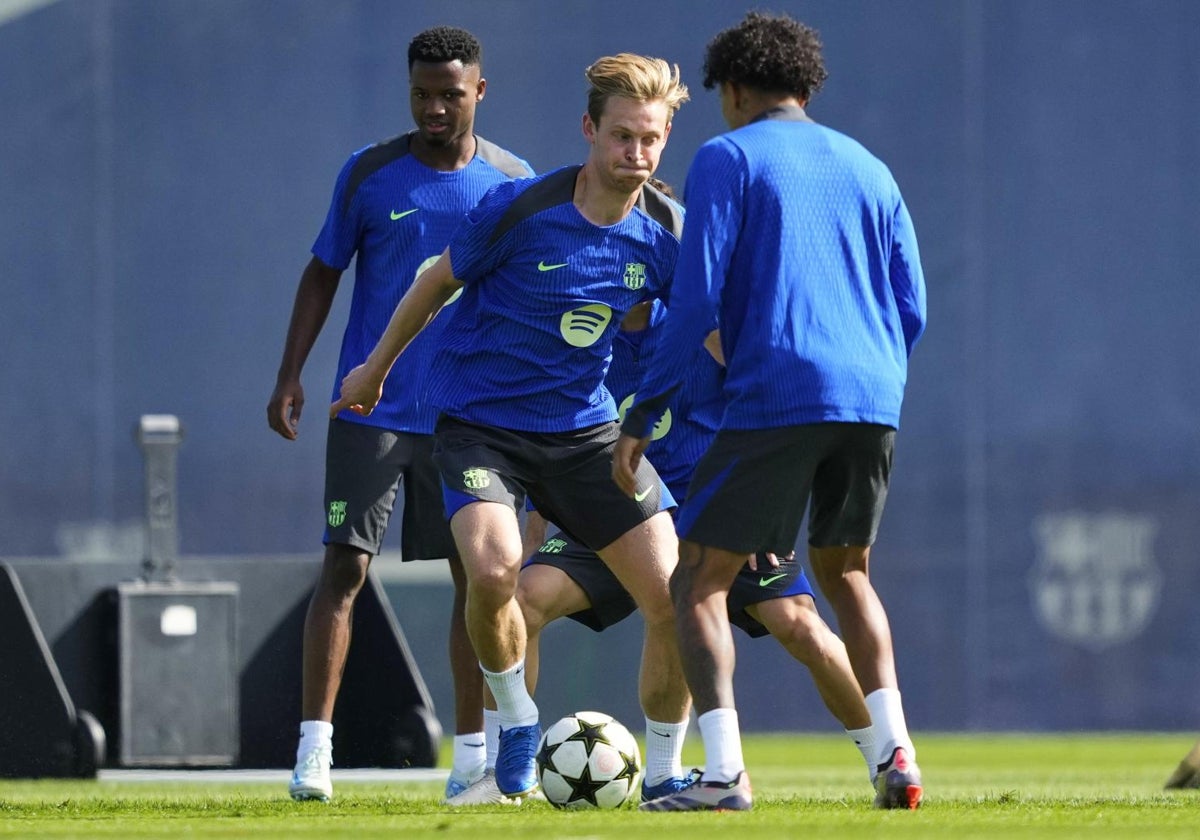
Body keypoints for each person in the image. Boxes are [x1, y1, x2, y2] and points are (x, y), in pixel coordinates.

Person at [329, 53, 694, 803]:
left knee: (676, 600)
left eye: (651, 140)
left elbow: (699, 335)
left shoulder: (667, 233)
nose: (637, 154)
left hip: (585, 436)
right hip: (480, 427)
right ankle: (519, 723)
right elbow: (435, 282)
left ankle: (664, 774)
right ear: (589, 129)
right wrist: (374, 370)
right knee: (495, 573)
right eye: (622, 136)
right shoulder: (521, 208)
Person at [614, 11, 928, 812]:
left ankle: (721, 776)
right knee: (847, 573)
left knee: (697, 581)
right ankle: (897, 757)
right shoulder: (871, 166)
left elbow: (696, 298)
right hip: (871, 394)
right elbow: (912, 305)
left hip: (778, 393)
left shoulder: (727, 156)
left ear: (738, 88)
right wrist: (870, 374)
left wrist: (646, 407)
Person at [454, 289, 880, 806]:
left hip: (717, 515)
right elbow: (557, 432)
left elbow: (770, 412)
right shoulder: (583, 329)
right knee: (522, 600)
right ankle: (505, 774)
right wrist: (540, 516)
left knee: (802, 627)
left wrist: (762, 511)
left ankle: (886, 760)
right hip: (614, 512)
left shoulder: (708, 327)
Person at [267, 25, 533, 803]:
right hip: (372, 409)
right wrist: (292, 375)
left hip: (471, 419)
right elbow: (323, 272)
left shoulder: (513, 182)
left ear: (479, 91)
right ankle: (315, 752)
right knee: (344, 569)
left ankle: (472, 759)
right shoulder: (371, 174)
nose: (435, 108)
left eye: (451, 94)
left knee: (476, 582)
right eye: (422, 94)